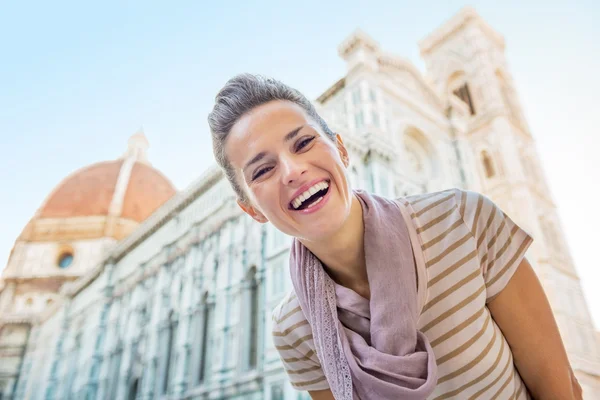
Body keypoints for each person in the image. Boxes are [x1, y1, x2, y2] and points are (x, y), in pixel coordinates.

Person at [208, 73, 582, 400]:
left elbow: (561, 388)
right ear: (252, 209)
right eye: (262, 170)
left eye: (303, 143)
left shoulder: (464, 220)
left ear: (341, 148)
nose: (291, 170)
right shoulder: (293, 328)